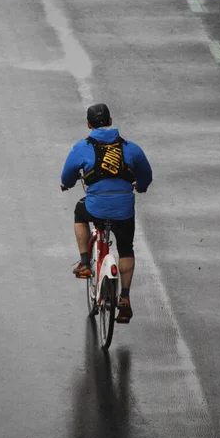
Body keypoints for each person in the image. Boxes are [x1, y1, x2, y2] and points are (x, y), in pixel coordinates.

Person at [60, 103, 152, 323]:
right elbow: (146, 176)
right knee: (126, 248)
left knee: (79, 212)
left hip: (96, 208)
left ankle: (84, 262)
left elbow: (68, 176)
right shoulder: (131, 148)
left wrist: (66, 184)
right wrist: (140, 186)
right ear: (110, 121)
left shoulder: (82, 148)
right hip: (124, 210)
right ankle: (126, 297)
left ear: (89, 125)